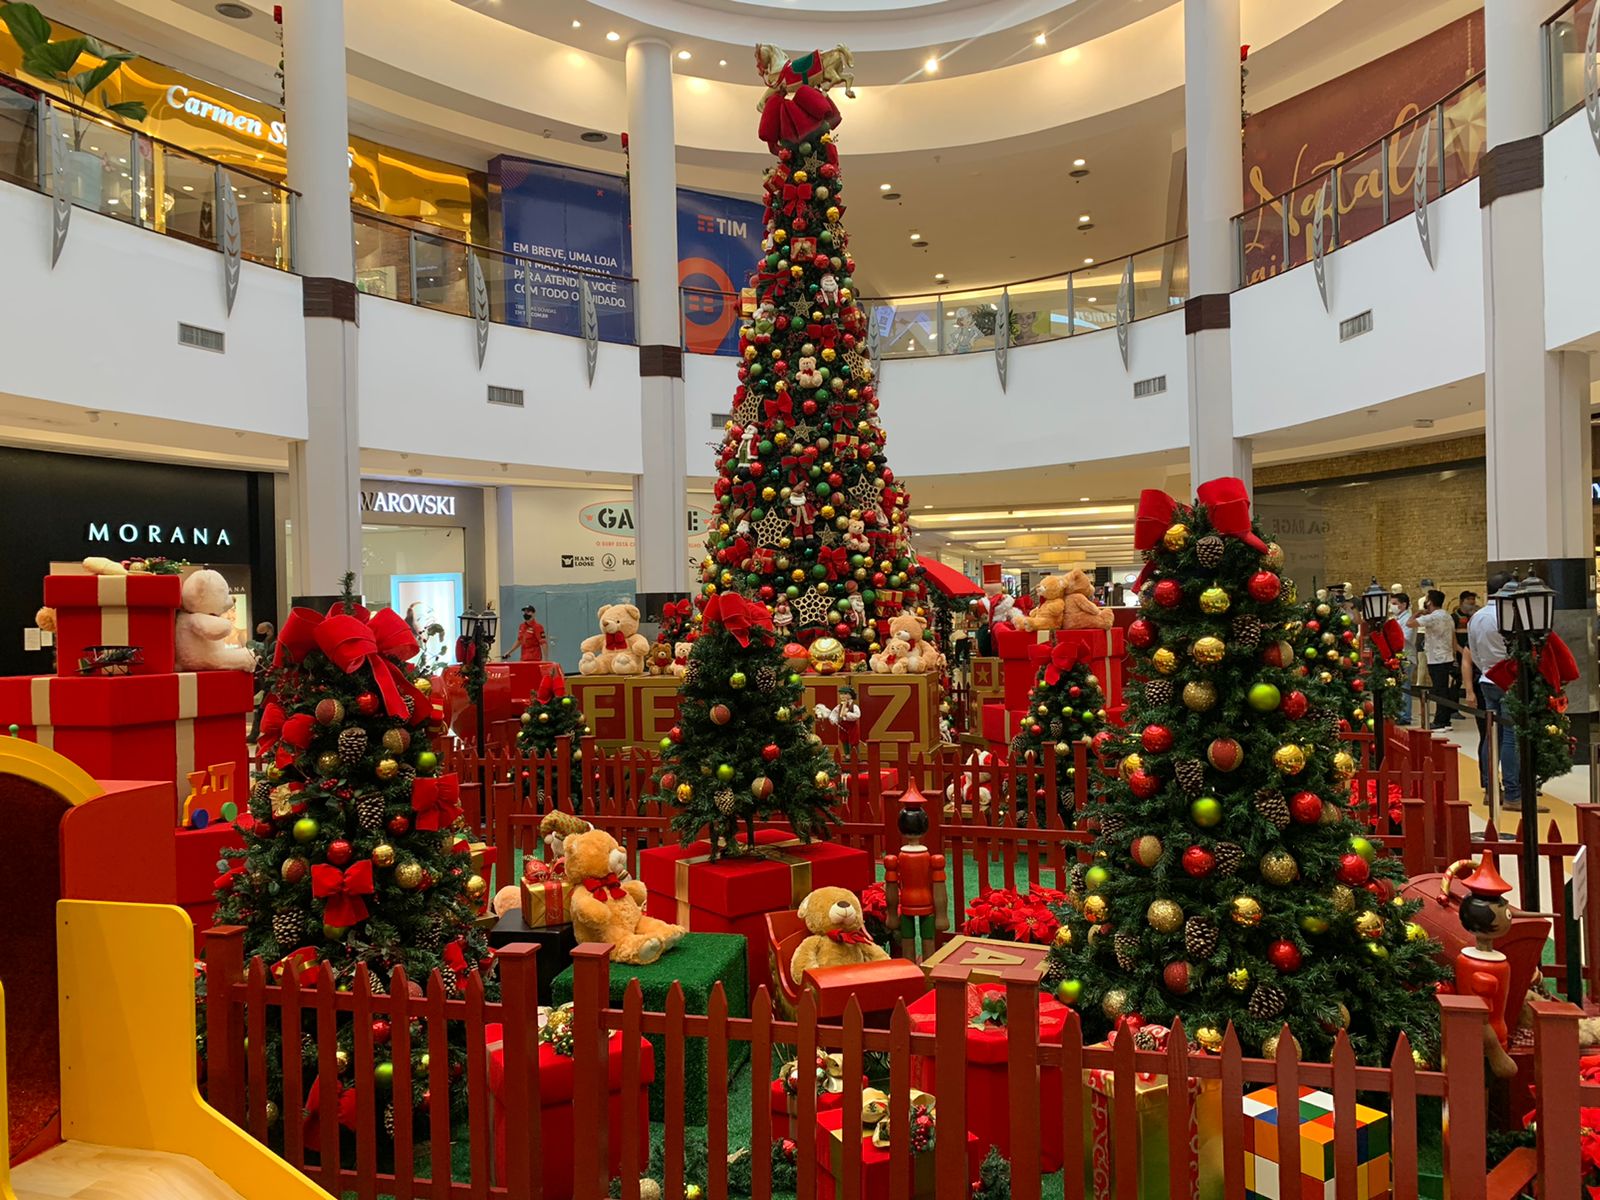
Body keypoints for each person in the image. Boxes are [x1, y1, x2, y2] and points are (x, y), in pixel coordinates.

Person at [1461, 573, 1521, 809]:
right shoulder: (1509, 613)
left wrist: (1487, 667)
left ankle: (1490, 789)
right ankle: (1513, 793)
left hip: (1487, 679)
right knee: (1510, 738)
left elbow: (1472, 651)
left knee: (1490, 735)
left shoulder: (1476, 617)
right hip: (1509, 679)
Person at [1415, 589, 1457, 730]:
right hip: (1447, 656)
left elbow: (1410, 623)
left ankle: (1440, 721)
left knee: (1439, 690)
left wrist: (1419, 612)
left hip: (1436, 658)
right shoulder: (1447, 616)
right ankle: (1446, 719)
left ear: (1430, 602)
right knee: (1443, 689)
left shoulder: (1431, 617)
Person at [1391, 592, 1414, 725]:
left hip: (1406, 656)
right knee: (1399, 687)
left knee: (1405, 686)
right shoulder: (1396, 618)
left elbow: (1407, 637)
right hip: (1397, 656)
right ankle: (1399, 712)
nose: (1392, 607)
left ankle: (1405, 715)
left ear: (1404, 604)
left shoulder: (1408, 619)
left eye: (1395, 604)